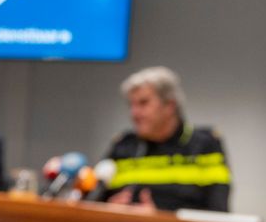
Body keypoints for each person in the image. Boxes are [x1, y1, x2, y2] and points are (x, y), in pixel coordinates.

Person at [99, 66, 231, 212]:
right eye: (131, 105)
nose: (134, 113)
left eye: (143, 103)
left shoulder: (205, 145)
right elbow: (92, 203)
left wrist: (160, 218)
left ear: (170, 105)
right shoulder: (122, 145)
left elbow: (219, 214)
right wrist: (109, 207)